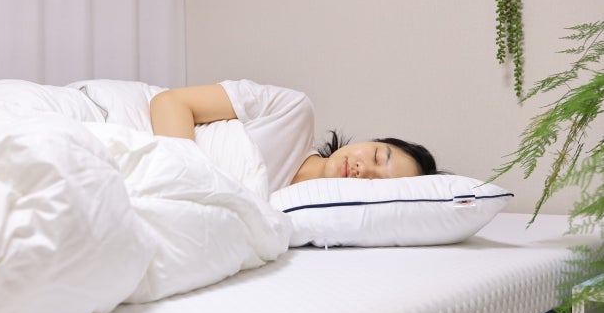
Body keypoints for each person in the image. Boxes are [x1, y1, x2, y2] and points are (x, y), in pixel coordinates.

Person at [150, 79, 438, 193]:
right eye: (377, 156)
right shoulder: (294, 112)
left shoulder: (294, 218)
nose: (364, 170)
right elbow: (170, 102)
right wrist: (185, 183)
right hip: (147, 142)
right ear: (371, 141)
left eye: (377, 182)